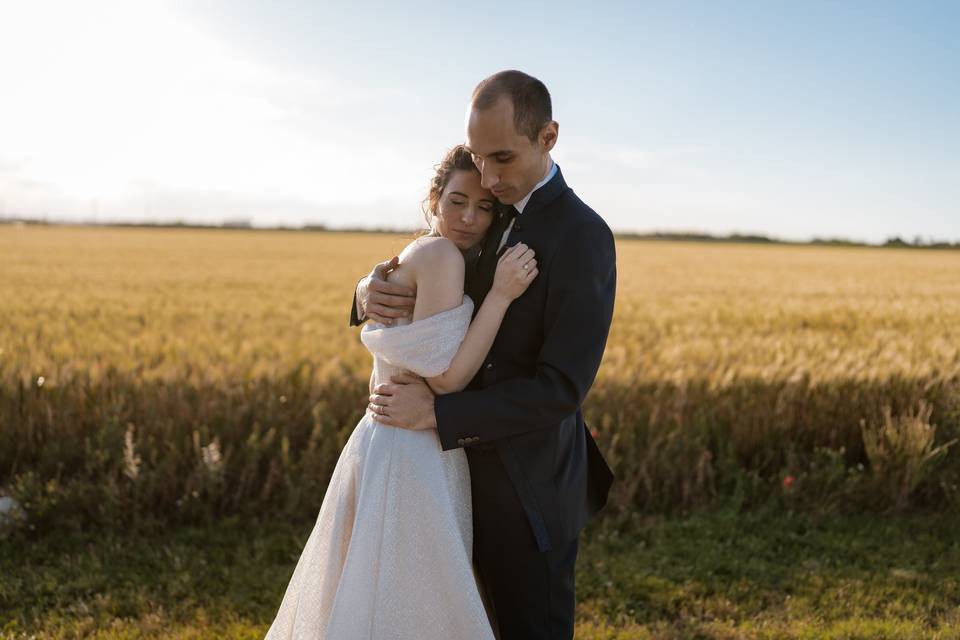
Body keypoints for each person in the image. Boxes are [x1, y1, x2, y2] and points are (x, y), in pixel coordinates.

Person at [355, 70, 616, 640]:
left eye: (502, 158)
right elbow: (431, 273)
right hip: (444, 479)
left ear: (547, 137)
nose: (489, 179)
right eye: (478, 157)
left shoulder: (582, 235)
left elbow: (561, 388)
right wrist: (364, 292)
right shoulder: (478, 207)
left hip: (527, 494)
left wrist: (439, 415)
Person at [265, 144, 539, 639]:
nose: (469, 218)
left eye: (483, 208)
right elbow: (446, 379)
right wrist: (499, 296)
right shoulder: (440, 257)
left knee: (379, 587)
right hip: (415, 448)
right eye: (457, 201)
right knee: (416, 596)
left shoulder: (423, 252)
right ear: (433, 199)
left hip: (390, 439)